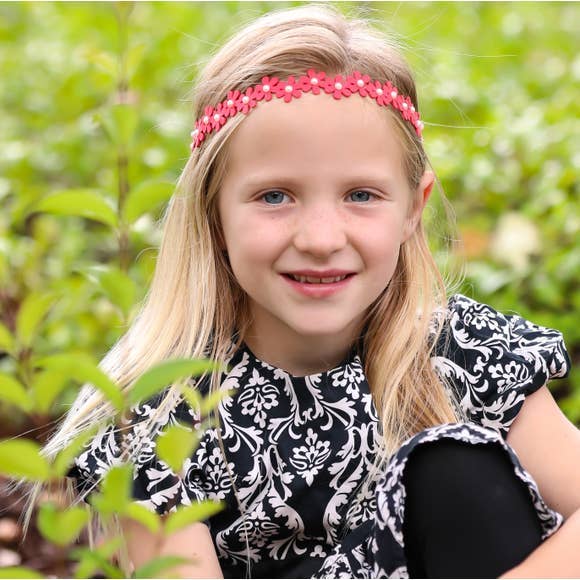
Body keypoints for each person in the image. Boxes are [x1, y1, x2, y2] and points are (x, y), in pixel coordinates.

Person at [36, 3, 580, 578]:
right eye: (274, 196)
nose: (321, 240)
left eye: (361, 196)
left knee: (454, 467)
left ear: (412, 210)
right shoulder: (160, 410)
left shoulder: (460, 353)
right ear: (212, 213)